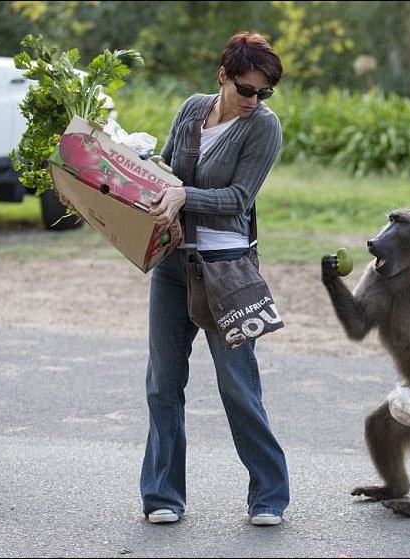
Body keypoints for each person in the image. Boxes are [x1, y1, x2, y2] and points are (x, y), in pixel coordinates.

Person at [140, 31, 289, 527]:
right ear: (223, 76)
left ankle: (269, 495)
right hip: (171, 266)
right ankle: (162, 495)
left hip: (226, 272)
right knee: (163, 383)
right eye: (246, 89)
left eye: (264, 93)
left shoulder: (264, 129)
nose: (254, 101)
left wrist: (184, 197)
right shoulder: (191, 109)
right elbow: (165, 170)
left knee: (237, 387)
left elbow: (237, 201)